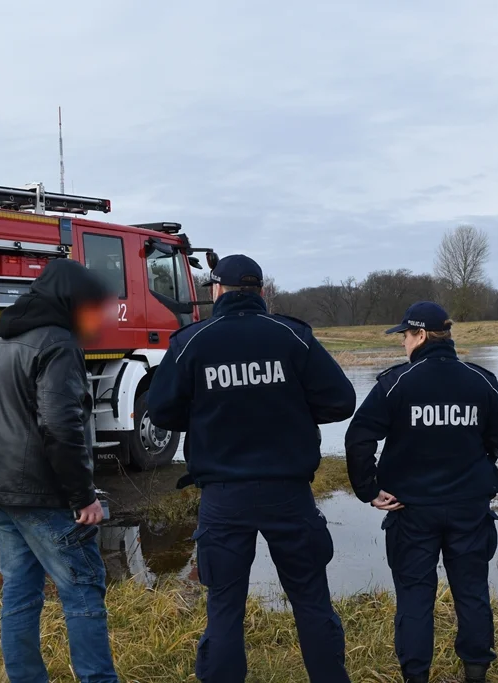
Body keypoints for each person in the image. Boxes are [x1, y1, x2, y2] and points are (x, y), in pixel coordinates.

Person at [147, 255, 357, 683]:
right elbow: (341, 400)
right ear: (259, 292)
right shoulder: (291, 336)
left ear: (216, 291)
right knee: (311, 600)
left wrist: (209, 412)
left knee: (225, 607)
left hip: (224, 497)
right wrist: (289, 408)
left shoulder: (192, 341)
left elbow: (161, 411)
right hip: (289, 493)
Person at [345, 302, 498, 683]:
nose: (403, 342)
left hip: (411, 509)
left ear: (420, 335)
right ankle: (476, 673)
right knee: (471, 591)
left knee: (415, 595)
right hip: (470, 507)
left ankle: (416, 676)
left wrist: (368, 490)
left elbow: (359, 439)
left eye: (405, 335)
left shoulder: (396, 382)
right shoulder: (481, 380)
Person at [0, 258, 119, 683]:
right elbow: (61, 424)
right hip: (45, 494)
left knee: (18, 593)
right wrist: (82, 496)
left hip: (3, 492)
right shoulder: (58, 343)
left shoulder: (2, 337)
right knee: (83, 590)